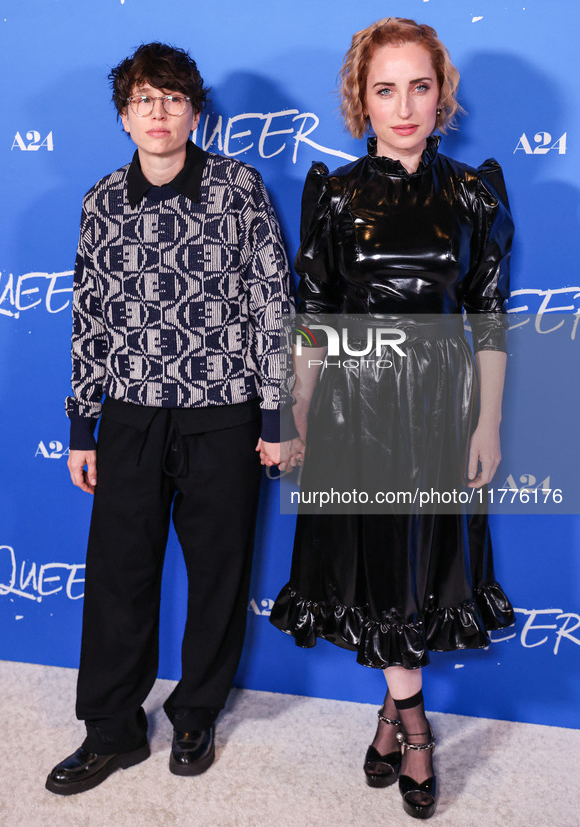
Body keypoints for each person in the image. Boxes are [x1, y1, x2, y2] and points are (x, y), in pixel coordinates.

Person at [270, 17, 515, 820]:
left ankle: (389, 719)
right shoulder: (335, 196)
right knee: (374, 562)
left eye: (419, 86)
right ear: (360, 99)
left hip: (441, 410)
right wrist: (293, 409)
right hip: (353, 407)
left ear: (441, 94)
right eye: (385, 89)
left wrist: (488, 425)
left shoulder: (472, 193)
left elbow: (485, 313)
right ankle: (414, 730)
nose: (403, 106)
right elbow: (313, 312)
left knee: (418, 564)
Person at [46, 42, 294, 795]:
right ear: (124, 118)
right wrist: (83, 426)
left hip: (223, 413)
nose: (159, 112)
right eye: (143, 100)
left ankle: (195, 711)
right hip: (128, 415)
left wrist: (277, 414)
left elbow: (272, 305)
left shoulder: (239, 188)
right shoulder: (100, 202)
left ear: (195, 110)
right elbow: (89, 318)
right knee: (120, 575)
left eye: (173, 97)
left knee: (219, 571)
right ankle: (111, 728)